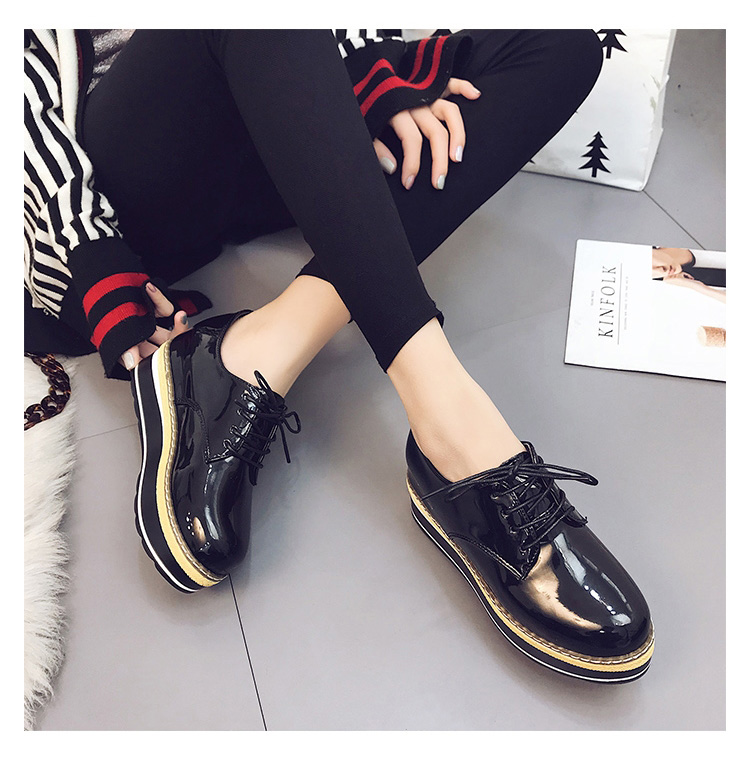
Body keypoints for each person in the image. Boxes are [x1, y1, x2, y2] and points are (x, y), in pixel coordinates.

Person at [25, 28, 654, 683]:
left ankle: (263, 345)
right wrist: (88, 257)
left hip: (281, 117)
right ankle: (451, 419)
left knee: (557, 47)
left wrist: (373, 76)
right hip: (128, 171)